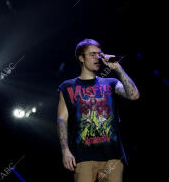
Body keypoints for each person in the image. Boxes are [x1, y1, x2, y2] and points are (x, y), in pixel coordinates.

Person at [57, 38, 140, 182]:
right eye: (92, 54)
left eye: (99, 54)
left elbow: (134, 95)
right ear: (81, 58)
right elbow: (61, 119)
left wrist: (118, 69)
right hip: (83, 157)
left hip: (113, 156)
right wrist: (65, 150)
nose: (97, 58)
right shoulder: (67, 86)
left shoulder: (111, 83)